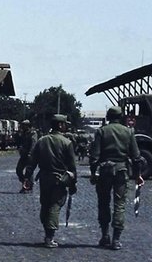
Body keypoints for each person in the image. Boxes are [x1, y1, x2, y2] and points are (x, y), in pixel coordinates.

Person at [89, 106, 145, 250]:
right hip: (121, 171)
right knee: (119, 205)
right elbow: (136, 157)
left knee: (103, 203)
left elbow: (94, 156)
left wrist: (93, 173)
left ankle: (105, 235)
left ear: (108, 117)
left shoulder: (101, 131)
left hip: (104, 172)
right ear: (121, 117)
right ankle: (116, 239)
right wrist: (138, 175)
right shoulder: (128, 132)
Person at [23, 114, 77, 248]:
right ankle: (49, 237)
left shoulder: (42, 140)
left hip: (44, 178)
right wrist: (73, 183)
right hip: (60, 179)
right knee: (55, 205)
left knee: (45, 204)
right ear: (60, 125)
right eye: (64, 124)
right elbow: (72, 166)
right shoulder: (67, 142)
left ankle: (47, 230)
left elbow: (32, 161)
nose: (66, 126)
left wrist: (27, 177)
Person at [16, 120, 37, 193]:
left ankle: (28, 187)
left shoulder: (32, 133)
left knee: (29, 172)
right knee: (18, 170)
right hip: (23, 155)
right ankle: (25, 183)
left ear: (28, 126)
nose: (22, 127)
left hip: (30, 155)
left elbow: (33, 144)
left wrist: (30, 153)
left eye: (24, 125)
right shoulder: (23, 133)